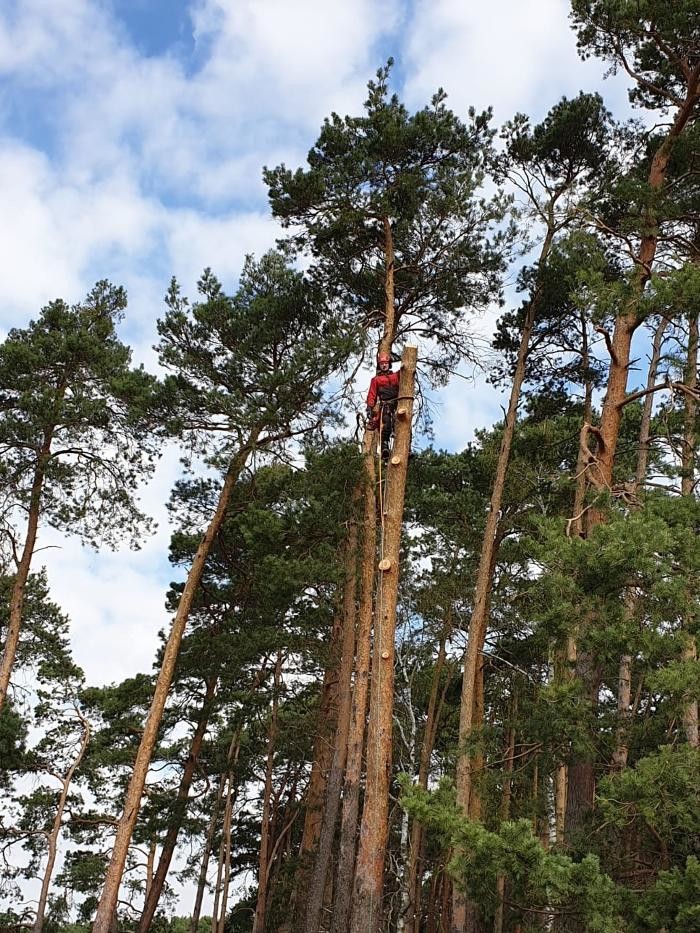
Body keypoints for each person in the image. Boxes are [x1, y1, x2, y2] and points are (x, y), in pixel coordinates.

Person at [366, 351, 400, 460]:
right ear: (379, 365)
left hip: (398, 402)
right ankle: (385, 446)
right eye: (382, 364)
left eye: (386, 363)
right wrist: (369, 407)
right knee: (386, 422)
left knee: (401, 421)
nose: (384, 365)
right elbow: (372, 394)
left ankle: (406, 446)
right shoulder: (376, 380)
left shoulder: (396, 376)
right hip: (386, 403)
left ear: (389, 364)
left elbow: (406, 370)